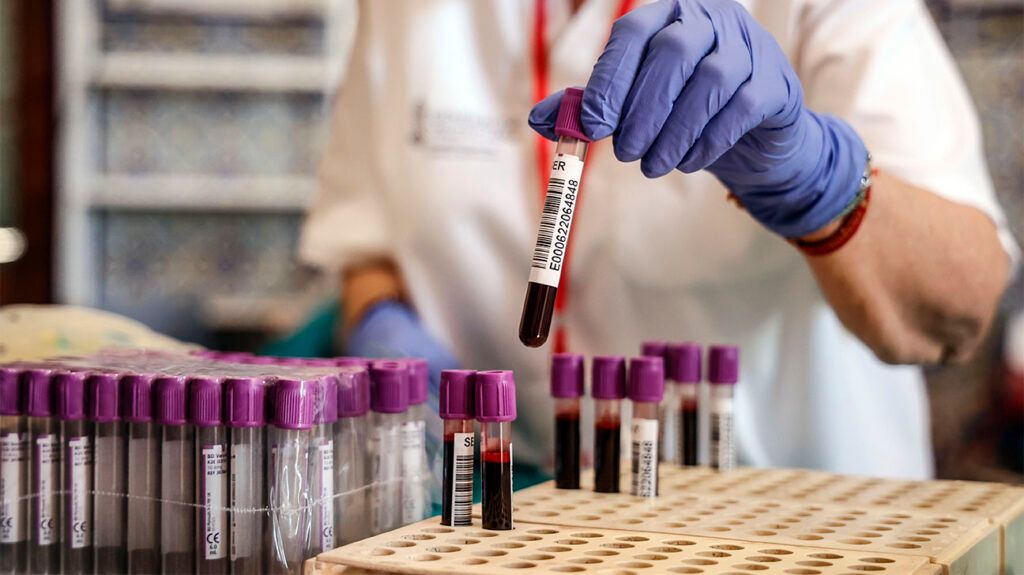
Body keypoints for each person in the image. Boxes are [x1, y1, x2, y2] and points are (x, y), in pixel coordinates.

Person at [299, 0, 1017, 478]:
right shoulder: (404, 11)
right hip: (512, 513)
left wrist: (820, 183)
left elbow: (963, 303)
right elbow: (366, 239)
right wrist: (381, 323)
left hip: (795, 526)